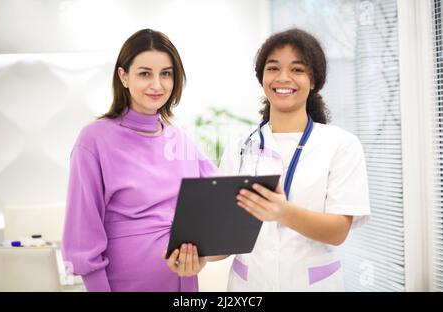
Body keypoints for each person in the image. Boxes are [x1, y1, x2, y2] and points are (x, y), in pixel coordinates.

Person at [213, 28, 371, 291]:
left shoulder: (341, 145)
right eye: (273, 68)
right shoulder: (239, 147)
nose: (283, 78)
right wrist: (198, 255)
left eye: (297, 69)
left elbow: (338, 232)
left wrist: (283, 212)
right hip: (249, 287)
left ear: (314, 80)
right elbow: (225, 236)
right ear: (262, 77)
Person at [62, 29, 216, 292]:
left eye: (166, 74)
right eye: (145, 73)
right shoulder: (94, 140)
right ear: (123, 76)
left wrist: (202, 256)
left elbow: (220, 207)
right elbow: (82, 234)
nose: (157, 85)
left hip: (183, 284)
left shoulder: (181, 140)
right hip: (124, 284)